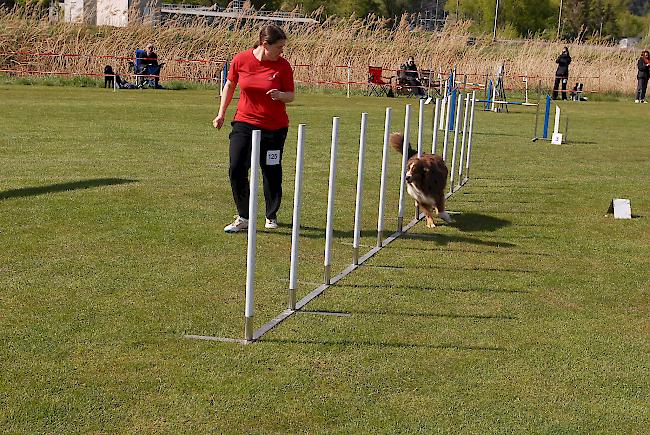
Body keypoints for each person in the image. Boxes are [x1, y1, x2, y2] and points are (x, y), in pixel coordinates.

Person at [213, 25, 295, 233]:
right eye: (279, 47)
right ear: (264, 45)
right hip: (244, 121)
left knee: (270, 169)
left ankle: (271, 214)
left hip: (274, 127)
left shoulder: (283, 66)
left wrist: (280, 95)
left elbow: (291, 95)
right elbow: (230, 85)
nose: (282, 51)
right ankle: (243, 216)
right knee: (237, 167)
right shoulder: (241, 60)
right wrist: (221, 113)